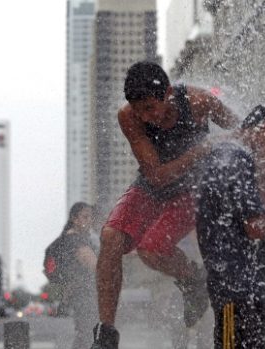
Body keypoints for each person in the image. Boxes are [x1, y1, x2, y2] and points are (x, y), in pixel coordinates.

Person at [91, 61, 239, 349]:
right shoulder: (129, 117)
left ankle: (193, 279)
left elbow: (243, 133)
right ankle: (106, 333)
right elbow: (156, 176)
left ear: (168, 93)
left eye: (150, 108)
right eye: (139, 110)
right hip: (154, 185)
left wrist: (258, 186)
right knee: (110, 236)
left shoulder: (199, 102)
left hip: (193, 189)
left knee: (151, 249)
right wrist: (202, 150)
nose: (146, 118)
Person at [196, 104, 265, 349]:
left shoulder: (225, 154)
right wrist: (264, 215)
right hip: (237, 290)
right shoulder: (236, 158)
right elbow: (255, 226)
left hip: (237, 289)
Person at [45, 202, 98, 348]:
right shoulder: (75, 240)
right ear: (75, 219)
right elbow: (95, 266)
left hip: (78, 293)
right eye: (85, 217)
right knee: (89, 334)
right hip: (84, 293)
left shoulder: (70, 238)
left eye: (91, 217)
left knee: (86, 333)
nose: (89, 221)